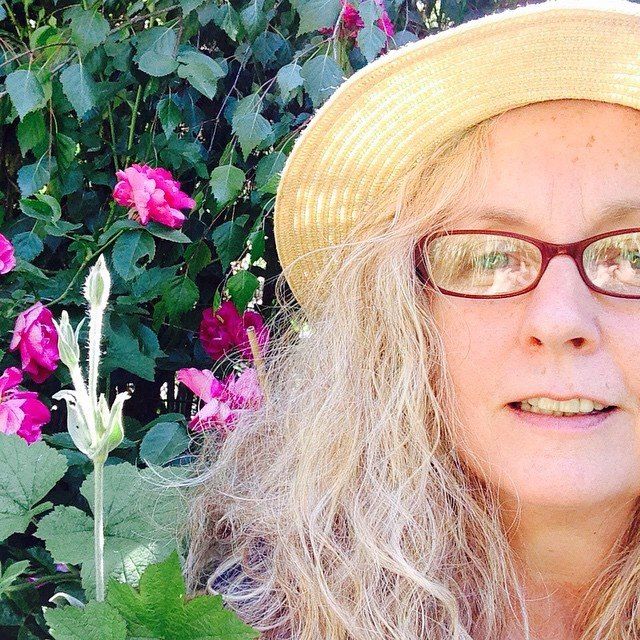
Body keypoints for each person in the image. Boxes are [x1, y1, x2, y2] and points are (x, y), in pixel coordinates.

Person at [182, 1, 640, 638]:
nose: (560, 318)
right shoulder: (256, 617)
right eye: (488, 257)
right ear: (401, 314)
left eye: (632, 256)